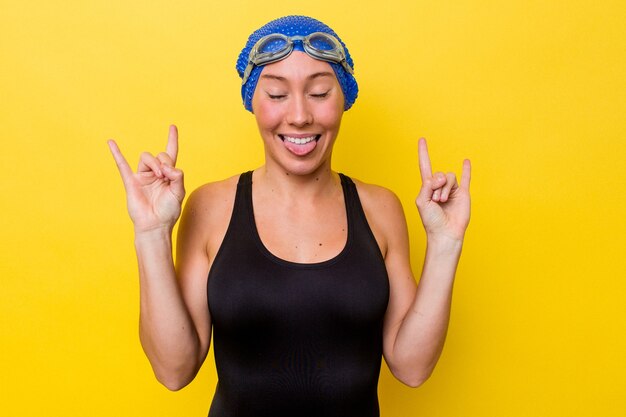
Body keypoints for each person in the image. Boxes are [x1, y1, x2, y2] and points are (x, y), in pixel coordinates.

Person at [108, 15, 471, 417]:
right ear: (253, 102)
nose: (299, 116)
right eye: (277, 94)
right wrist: (151, 233)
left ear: (344, 98)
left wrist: (445, 244)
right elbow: (173, 370)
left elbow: (413, 367)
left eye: (318, 92)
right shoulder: (210, 207)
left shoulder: (380, 208)